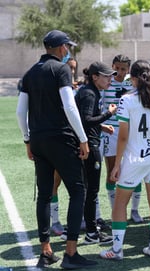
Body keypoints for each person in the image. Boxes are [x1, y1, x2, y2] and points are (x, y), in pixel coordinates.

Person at [16, 29, 97, 269]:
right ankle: (70, 252)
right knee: (78, 190)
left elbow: (21, 112)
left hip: (38, 140)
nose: (68, 51)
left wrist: (27, 140)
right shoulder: (62, 69)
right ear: (62, 48)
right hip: (60, 139)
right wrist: (82, 138)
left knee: (44, 194)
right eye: (67, 47)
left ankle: (46, 250)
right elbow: (70, 106)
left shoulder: (30, 73)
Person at [100, 60, 150, 260]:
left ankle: (117, 250)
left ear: (134, 78)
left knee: (120, 203)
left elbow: (123, 136)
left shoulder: (127, 100)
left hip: (135, 159)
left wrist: (117, 164)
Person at [75, 61, 117, 245]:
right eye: (107, 76)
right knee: (91, 191)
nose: (110, 79)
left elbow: (85, 120)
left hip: (88, 144)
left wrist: (102, 126)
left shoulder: (89, 91)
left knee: (85, 190)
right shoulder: (89, 93)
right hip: (89, 147)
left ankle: (80, 228)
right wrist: (108, 114)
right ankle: (91, 233)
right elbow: (86, 120)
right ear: (95, 77)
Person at [102, 54, 143, 223]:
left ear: (128, 70)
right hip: (110, 133)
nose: (119, 72)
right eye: (116, 68)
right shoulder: (106, 83)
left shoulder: (131, 85)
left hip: (130, 132)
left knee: (135, 168)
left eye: (123, 69)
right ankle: (116, 211)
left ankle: (134, 210)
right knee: (112, 171)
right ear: (112, 66)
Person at [50, 57, 79, 237]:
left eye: (74, 69)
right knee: (55, 181)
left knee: (75, 183)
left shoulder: (76, 90)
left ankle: (79, 220)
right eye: (69, 68)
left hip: (73, 140)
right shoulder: (55, 90)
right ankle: (54, 221)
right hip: (58, 140)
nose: (72, 72)